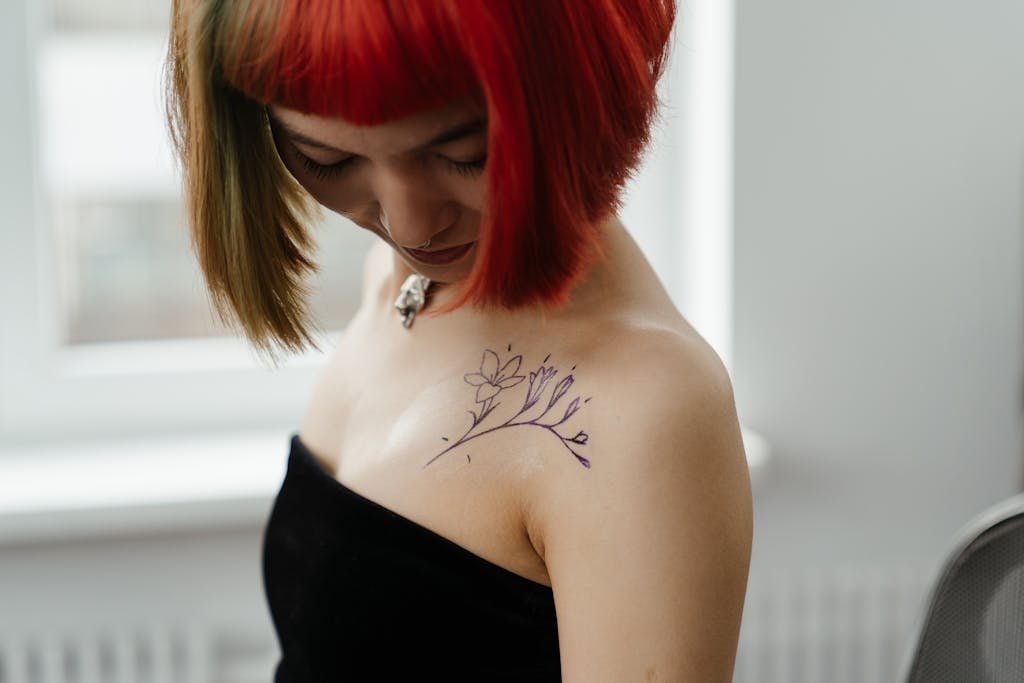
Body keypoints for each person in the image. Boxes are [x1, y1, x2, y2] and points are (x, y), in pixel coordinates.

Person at [165, 0, 753, 680]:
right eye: (325, 158)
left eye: (463, 155)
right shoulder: (395, 280)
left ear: (582, 92)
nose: (410, 226)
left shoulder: (645, 411)